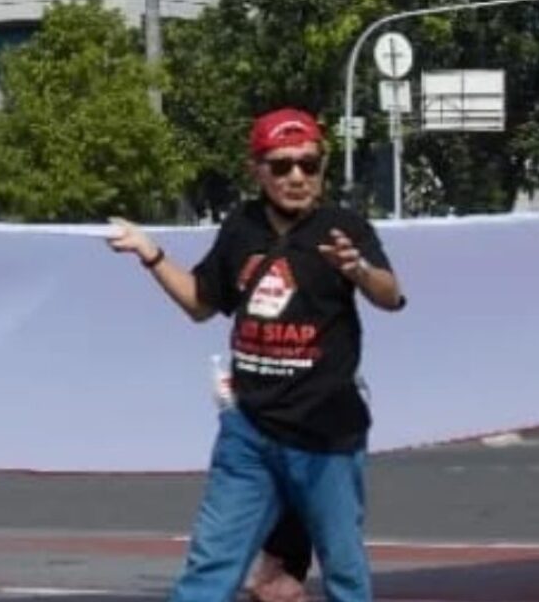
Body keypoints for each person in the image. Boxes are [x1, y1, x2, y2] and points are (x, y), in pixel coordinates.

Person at [108, 108, 406, 602]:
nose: (296, 177)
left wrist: (359, 271)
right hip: (248, 432)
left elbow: (391, 297)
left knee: (346, 573)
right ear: (258, 170)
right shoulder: (241, 227)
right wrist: (151, 254)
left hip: (325, 433)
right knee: (210, 567)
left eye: (309, 165)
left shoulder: (344, 227)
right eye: (282, 165)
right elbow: (201, 304)